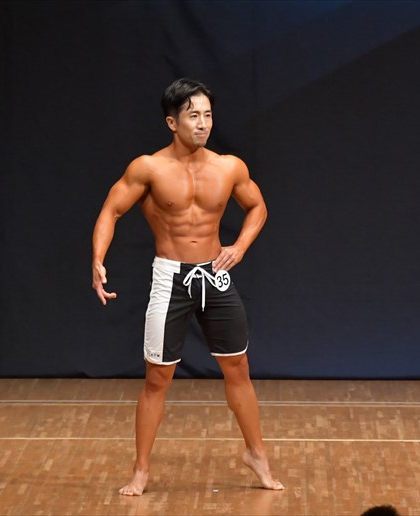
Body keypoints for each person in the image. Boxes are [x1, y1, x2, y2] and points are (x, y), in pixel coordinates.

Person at [91, 78, 284, 495]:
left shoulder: (229, 167)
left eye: (208, 115)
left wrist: (240, 246)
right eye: (193, 115)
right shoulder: (148, 168)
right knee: (157, 379)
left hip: (215, 275)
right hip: (171, 278)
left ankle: (257, 455)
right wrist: (97, 259)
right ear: (172, 122)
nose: (203, 124)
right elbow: (111, 211)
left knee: (239, 368)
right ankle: (141, 470)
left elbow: (257, 206)